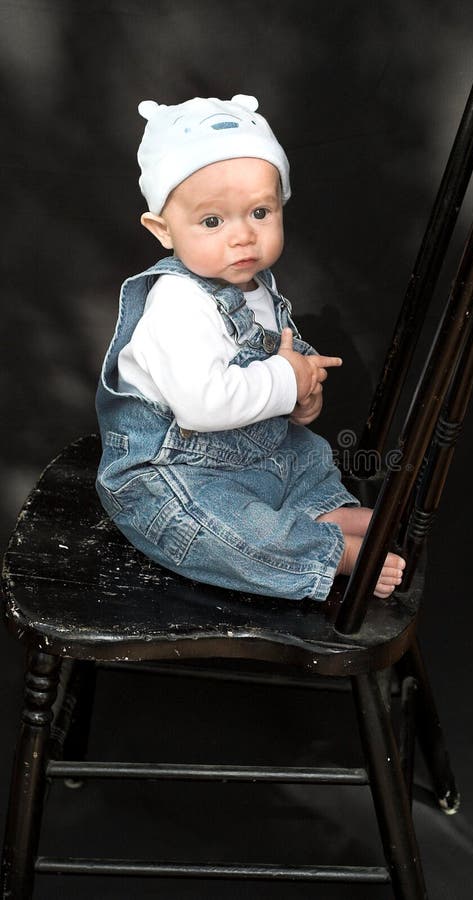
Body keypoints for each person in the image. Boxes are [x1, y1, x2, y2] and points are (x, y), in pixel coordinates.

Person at [95, 94, 404, 602]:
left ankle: (319, 509)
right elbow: (203, 404)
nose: (242, 236)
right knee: (217, 531)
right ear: (162, 230)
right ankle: (333, 552)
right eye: (213, 222)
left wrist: (303, 399)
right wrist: (286, 379)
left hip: (251, 455)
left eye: (260, 212)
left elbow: (270, 387)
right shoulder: (177, 303)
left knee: (306, 453)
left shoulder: (254, 286)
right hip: (173, 473)